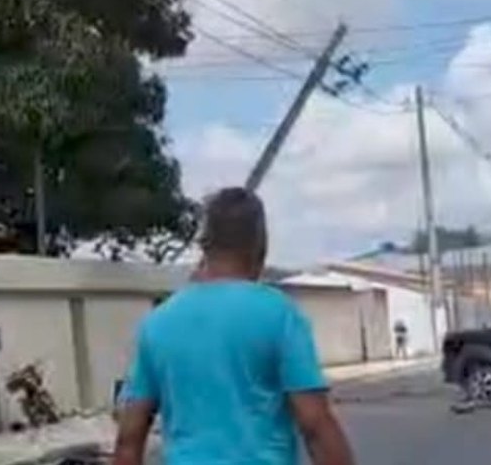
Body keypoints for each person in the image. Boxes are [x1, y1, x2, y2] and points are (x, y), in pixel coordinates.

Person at [113, 187, 354, 465]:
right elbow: (315, 426)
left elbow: (128, 441)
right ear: (260, 245)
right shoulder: (280, 314)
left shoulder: (157, 323)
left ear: (206, 246)